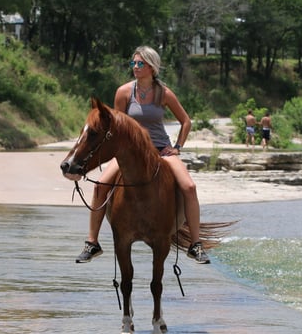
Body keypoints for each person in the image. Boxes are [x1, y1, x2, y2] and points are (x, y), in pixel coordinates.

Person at [76, 45, 210, 264]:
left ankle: (195, 245)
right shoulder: (124, 92)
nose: (135, 67)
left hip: (160, 150)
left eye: (140, 64)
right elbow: (116, 124)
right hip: (130, 153)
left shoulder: (164, 93)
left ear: (152, 67)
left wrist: (177, 146)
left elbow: (186, 121)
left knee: (189, 187)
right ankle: (92, 243)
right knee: (101, 185)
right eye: (133, 63)